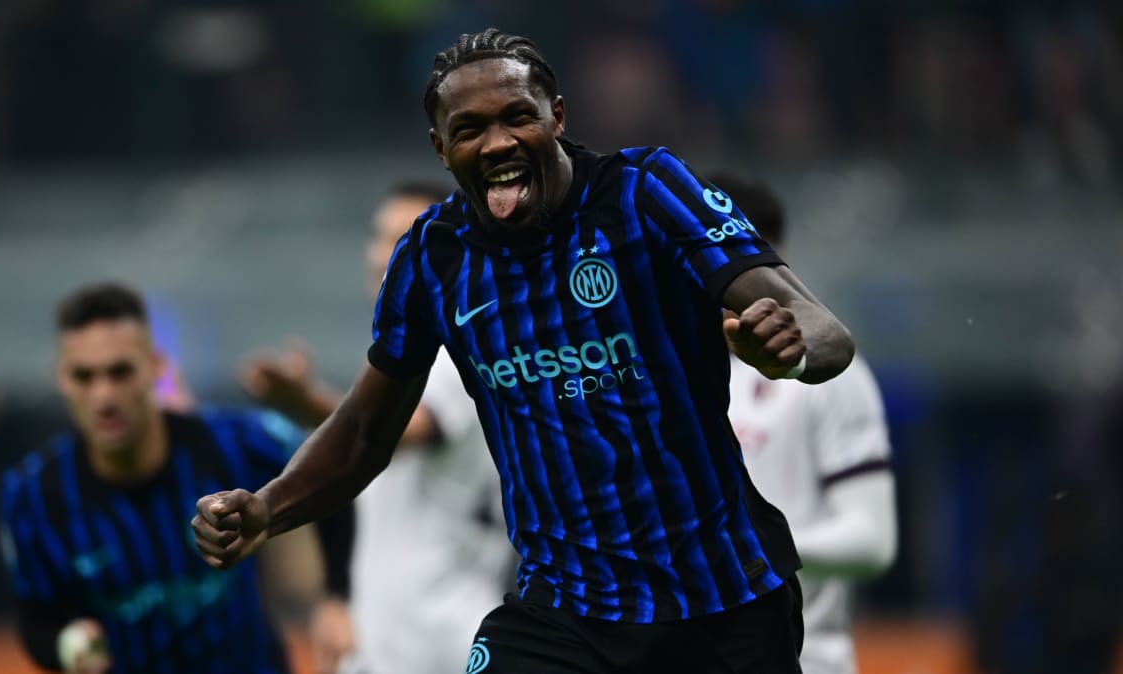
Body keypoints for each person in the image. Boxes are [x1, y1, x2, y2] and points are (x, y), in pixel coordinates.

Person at [193, 28, 856, 673]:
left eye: (518, 117)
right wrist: (268, 508)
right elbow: (365, 434)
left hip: (722, 599)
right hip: (563, 612)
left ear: (556, 116)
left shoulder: (645, 193)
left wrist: (789, 351)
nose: (497, 143)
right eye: (469, 129)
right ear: (440, 148)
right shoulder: (431, 257)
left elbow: (825, 332)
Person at [239, 183, 516, 674]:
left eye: (404, 239)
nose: (381, 254)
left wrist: (303, 402)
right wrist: (337, 594)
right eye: (379, 236)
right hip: (386, 636)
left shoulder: (461, 352)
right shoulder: (399, 362)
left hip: (445, 636)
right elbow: (358, 480)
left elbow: (384, 432)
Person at [0, 282, 324, 674]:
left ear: (156, 367)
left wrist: (337, 593)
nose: (104, 396)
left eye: (120, 372)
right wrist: (67, 646)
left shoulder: (232, 441)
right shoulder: (33, 495)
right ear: (61, 379)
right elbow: (35, 618)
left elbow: (328, 468)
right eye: (84, 376)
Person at [713, 173, 897, 674]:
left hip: (806, 657)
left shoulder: (831, 376)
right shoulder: (655, 373)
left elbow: (873, 542)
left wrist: (746, 548)